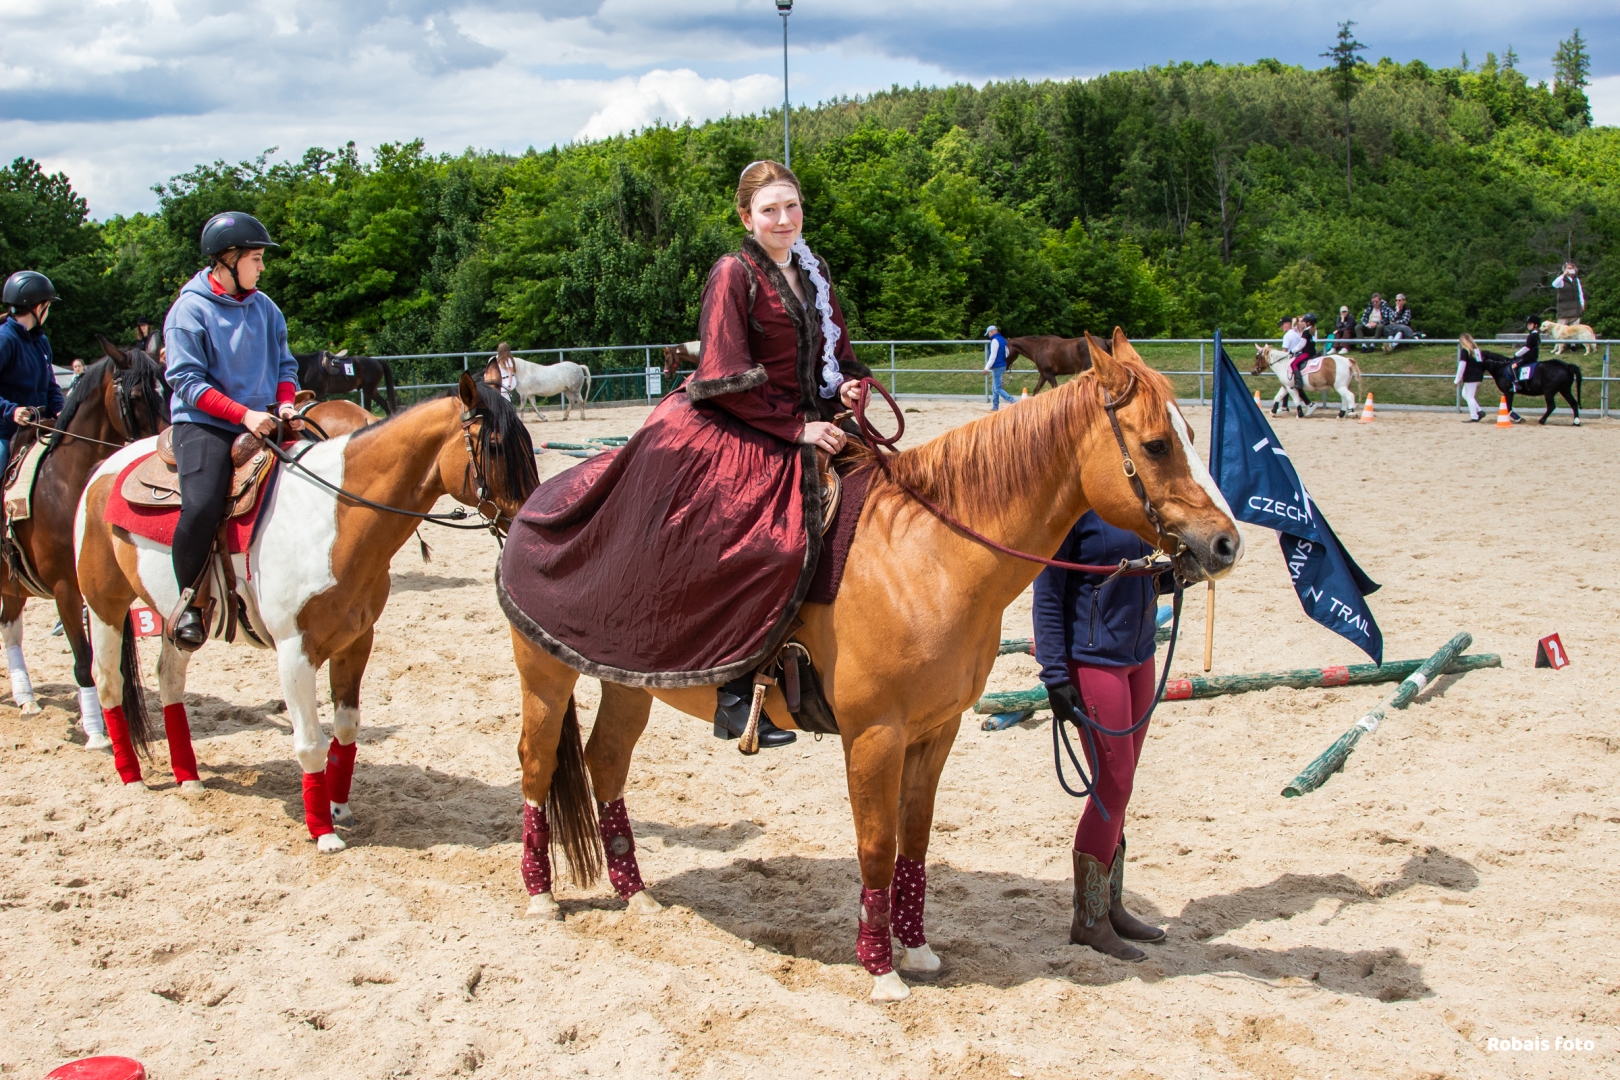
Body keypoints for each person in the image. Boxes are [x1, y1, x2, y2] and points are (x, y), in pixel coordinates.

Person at [497, 160, 872, 751]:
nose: (783, 219)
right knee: (759, 536)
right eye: (769, 210)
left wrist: (846, 387)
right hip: (736, 421)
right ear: (746, 217)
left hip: (813, 420)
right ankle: (734, 686)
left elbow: (838, 354)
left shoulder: (814, 271)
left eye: (791, 207)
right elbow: (723, 373)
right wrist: (795, 428)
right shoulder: (733, 273)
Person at [1034, 510, 1174, 962]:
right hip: (1093, 661)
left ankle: (1110, 905)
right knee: (1112, 785)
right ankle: (1088, 919)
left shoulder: (1147, 505)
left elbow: (1148, 575)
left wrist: (1179, 570)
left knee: (1123, 785)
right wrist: (1055, 675)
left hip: (1140, 654)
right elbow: (1048, 593)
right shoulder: (1077, 512)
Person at [162, 211, 301, 650]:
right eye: (256, 258)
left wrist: (284, 401)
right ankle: (188, 602)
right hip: (205, 424)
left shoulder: (266, 307)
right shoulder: (188, 310)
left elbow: (285, 364)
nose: (261, 268)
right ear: (227, 259)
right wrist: (243, 415)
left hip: (263, 417)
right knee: (202, 505)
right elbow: (186, 380)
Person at [0, 270, 66, 479]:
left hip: (38, 429)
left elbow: (50, 386)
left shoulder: (41, 342)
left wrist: (61, 410)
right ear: (39, 307)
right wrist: (11, 411)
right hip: (5, 433)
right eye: (48, 306)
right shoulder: (5, 340)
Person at [1507, 314, 1539, 423]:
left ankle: (1516, 384)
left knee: (1514, 365)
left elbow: (1527, 348)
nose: (1528, 326)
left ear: (1535, 325)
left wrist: (1516, 354)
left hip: (1529, 357)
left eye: (1530, 324)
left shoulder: (1532, 336)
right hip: (1532, 356)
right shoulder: (1535, 335)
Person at [984, 324, 1016, 410]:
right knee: (995, 387)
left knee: (997, 388)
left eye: (989, 333)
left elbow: (993, 356)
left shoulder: (995, 340)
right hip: (1002, 365)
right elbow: (1007, 353)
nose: (988, 335)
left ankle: (1013, 401)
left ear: (992, 332)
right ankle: (995, 406)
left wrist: (986, 368)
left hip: (997, 366)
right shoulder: (1003, 340)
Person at [1455, 333, 1486, 422]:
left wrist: (1457, 379)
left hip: (1470, 376)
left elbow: (1462, 365)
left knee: (1469, 396)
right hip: (1478, 375)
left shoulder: (1465, 351)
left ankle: (1474, 416)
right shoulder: (1476, 350)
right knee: (1465, 394)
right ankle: (1479, 411)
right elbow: (1481, 364)